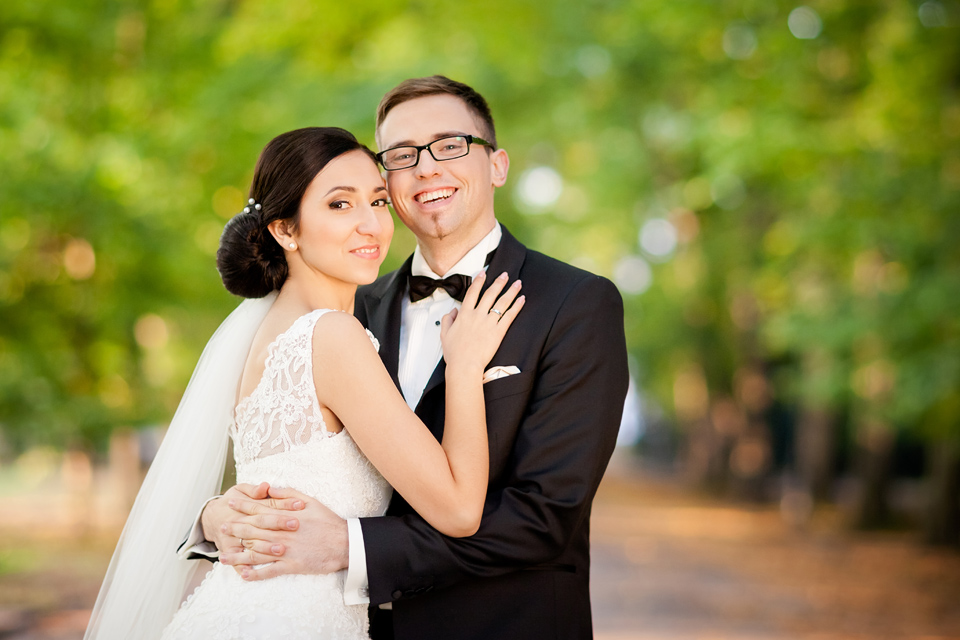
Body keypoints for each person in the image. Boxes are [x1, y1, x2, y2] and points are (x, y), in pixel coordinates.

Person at [200, 77, 629, 640]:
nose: (426, 168)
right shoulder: (351, 309)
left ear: (497, 165)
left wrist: (350, 547)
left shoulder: (574, 303)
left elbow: (544, 518)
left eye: (451, 145)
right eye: (402, 155)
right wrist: (214, 520)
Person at [84, 126, 524, 640]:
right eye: (340, 205)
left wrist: (211, 515)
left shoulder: (267, 334)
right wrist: (466, 368)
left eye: (378, 201)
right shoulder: (331, 336)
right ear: (285, 231)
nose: (371, 225)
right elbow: (457, 510)